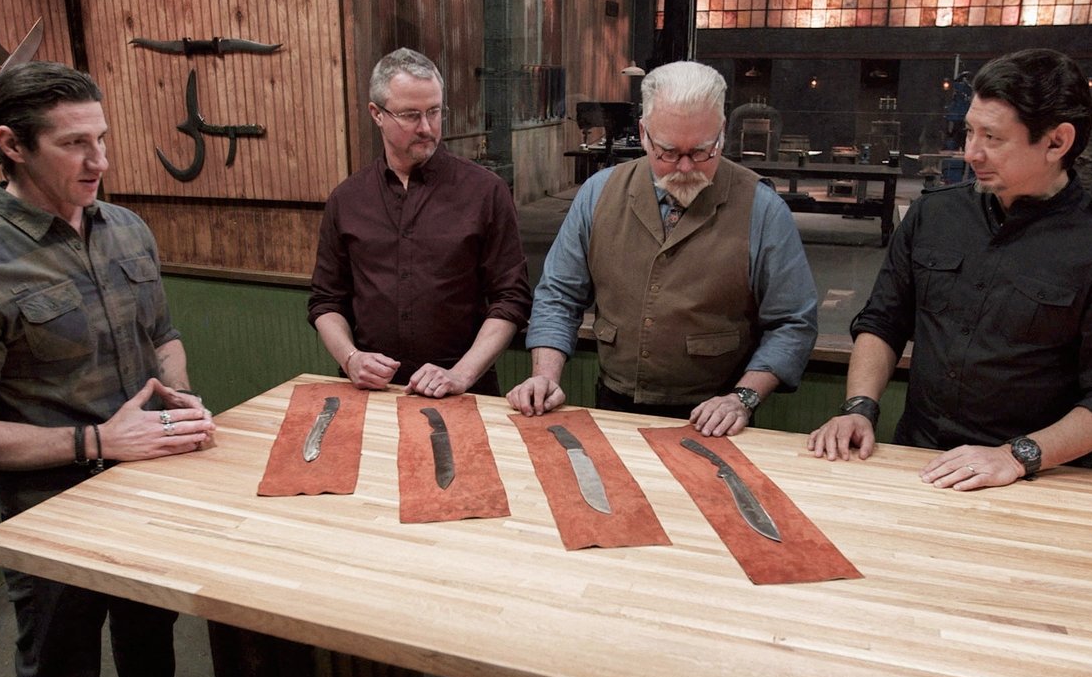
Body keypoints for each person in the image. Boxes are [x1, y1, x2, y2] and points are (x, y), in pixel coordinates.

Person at [0, 61, 214, 677]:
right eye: (74, 143)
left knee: (154, 665)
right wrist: (99, 440)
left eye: (101, 138)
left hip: (147, 490)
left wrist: (180, 397)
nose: (99, 160)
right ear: (12, 144)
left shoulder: (126, 229)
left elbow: (162, 335)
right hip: (51, 513)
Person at [807, 48, 1092, 490]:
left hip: (1034, 479)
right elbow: (883, 322)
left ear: (1057, 142)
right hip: (916, 458)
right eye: (969, 131)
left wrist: (1015, 456)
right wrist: (859, 407)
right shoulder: (933, 216)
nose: (970, 153)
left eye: (992, 138)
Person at [506, 60, 818, 436]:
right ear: (643, 133)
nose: (685, 168)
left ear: (721, 133)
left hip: (718, 416)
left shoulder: (763, 210)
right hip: (614, 404)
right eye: (668, 152)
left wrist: (743, 398)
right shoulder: (598, 194)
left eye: (702, 152)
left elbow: (793, 322)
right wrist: (544, 376)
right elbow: (559, 296)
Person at [308, 48, 531, 397]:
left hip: (463, 392)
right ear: (377, 114)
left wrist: (460, 375)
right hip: (372, 392)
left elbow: (511, 298)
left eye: (434, 112)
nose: (426, 127)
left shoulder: (486, 192)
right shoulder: (347, 199)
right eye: (411, 115)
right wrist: (351, 359)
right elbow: (326, 300)